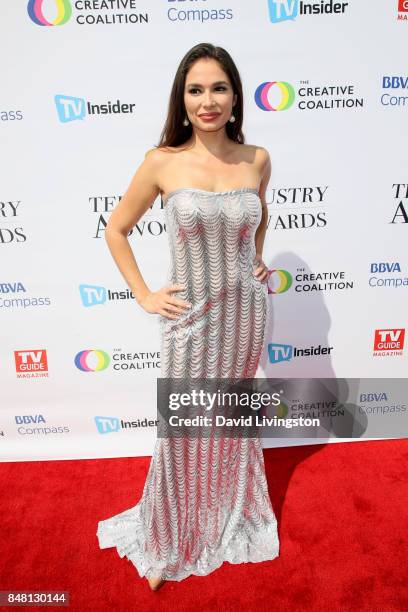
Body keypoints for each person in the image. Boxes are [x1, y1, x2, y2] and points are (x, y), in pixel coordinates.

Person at [96, 42, 280, 591]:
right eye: (196, 89)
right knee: (183, 428)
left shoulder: (257, 159)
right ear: (182, 97)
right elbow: (115, 229)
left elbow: (258, 217)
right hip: (190, 319)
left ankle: (229, 515)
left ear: (234, 95)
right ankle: (169, 536)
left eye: (218, 88)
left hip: (245, 315)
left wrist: (259, 261)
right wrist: (144, 294)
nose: (208, 101)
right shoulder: (163, 162)